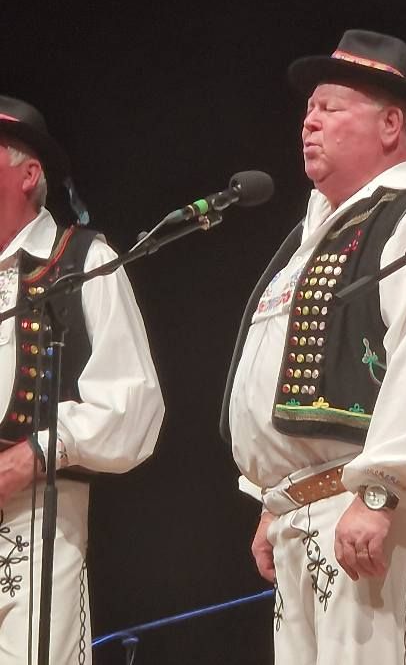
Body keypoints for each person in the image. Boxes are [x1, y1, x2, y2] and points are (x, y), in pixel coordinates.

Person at [222, 29, 406, 663]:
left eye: (330, 107)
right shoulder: (314, 235)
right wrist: (272, 502)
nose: (309, 121)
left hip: (367, 505)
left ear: (391, 125)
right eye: (308, 109)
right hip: (305, 510)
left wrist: (382, 491)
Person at [0, 95, 164, 664]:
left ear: (28, 174)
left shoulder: (83, 261)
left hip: (37, 513)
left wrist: (35, 454)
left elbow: (133, 403)